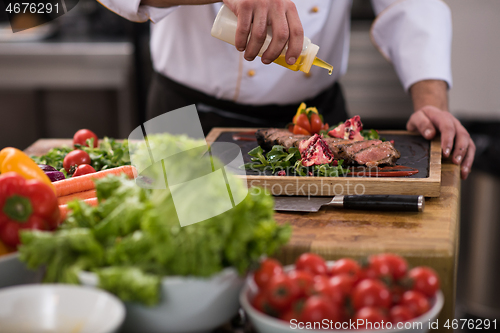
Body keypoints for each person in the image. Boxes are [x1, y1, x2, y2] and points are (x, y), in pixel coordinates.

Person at [98, 0, 475, 179]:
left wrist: (432, 103)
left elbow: (414, 6)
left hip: (315, 127)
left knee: (312, 273)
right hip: (185, 119)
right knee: (188, 269)